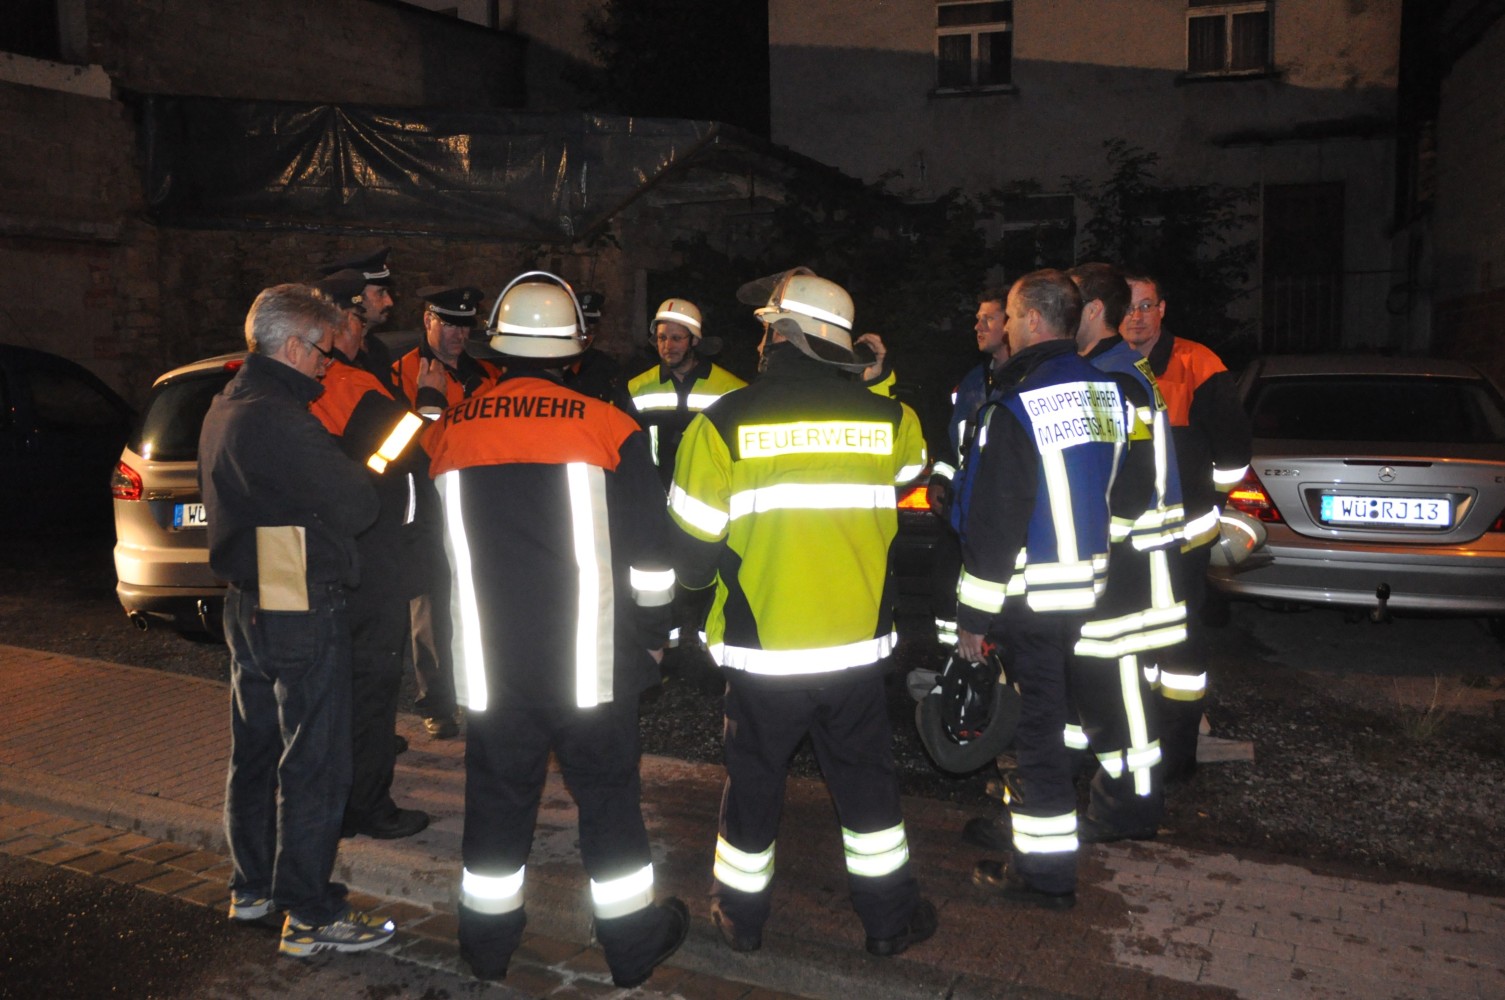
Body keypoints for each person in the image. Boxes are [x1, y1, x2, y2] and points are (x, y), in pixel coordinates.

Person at [424, 272, 688, 989]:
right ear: (573, 350)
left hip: (491, 667)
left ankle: (485, 949)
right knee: (609, 803)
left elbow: (430, 555)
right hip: (591, 666)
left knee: (495, 804)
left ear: (498, 347)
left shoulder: (449, 430)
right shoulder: (610, 427)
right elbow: (651, 555)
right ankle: (631, 949)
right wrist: (655, 636)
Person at [668, 268, 938, 957]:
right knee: (867, 788)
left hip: (763, 653)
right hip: (855, 651)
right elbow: (912, 471)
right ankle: (888, 922)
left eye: (767, 328)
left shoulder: (720, 423)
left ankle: (740, 919)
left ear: (784, 334)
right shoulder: (890, 419)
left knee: (753, 783)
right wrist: (875, 382)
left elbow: (692, 560)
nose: (760, 340)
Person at [199, 282, 395, 957]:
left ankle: (252, 889)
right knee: (315, 760)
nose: (326, 364)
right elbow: (357, 504)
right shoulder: (281, 417)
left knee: (255, 750)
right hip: (295, 596)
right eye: (320, 350)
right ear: (289, 345)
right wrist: (358, 473)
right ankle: (309, 914)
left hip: (249, 594)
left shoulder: (227, 403)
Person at [950, 269, 1127, 909]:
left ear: (1029, 319)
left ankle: (1045, 875)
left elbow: (995, 524)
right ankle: (1042, 834)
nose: (1002, 324)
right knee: (1061, 724)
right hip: (1086, 588)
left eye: (1008, 314)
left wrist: (973, 618)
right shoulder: (1107, 391)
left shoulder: (1017, 402)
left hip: (1031, 599)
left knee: (1036, 736)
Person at [309, 271, 437, 839]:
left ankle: (343, 798)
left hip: (354, 554)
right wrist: (426, 406)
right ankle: (367, 805)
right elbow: (400, 451)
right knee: (371, 685)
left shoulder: (354, 373)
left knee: (344, 689)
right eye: (366, 311)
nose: (386, 305)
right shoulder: (346, 384)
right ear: (342, 319)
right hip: (370, 558)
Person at [1068, 262, 1187, 842]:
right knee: (1104, 688)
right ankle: (1095, 789)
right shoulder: (1115, 370)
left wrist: (1094, 545)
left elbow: (1130, 481)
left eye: (1069, 303)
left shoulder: (1113, 380)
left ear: (1093, 310)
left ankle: (1130, 809)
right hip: (1126, 563)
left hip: (1127, 567)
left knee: (1121, 693)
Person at [1120, 270, 1252, 786]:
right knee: (1135, 637)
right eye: (1128, 307)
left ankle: (1177, 754)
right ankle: (1141, 733)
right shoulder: (1107, 364)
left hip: (1184, 538)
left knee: (1178, 643)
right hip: (1131, 539)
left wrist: (1208, 500)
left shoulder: (1198, 362)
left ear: (1163, 309)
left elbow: (1234, 454)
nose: (1137, 317)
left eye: (1146, 306)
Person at [390, 285, 500, 740]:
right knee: (432, 610)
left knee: (480, 605)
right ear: (427, 320)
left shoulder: (486, 373)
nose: (459, 334)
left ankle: (482, 696)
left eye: (465, 325)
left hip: (480, 503)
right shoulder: (400, 372)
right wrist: (426, 402)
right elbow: (395, 447)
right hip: (427, 504)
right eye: (449, 323)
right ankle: (436, 703)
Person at [628, 297, 746, 651]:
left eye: (677, 338)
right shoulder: (637, 387)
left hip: (710, 505)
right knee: (659, 579)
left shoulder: (731, 388)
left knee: (714, 575)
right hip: (657, 501)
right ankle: (666, 649)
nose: (668, 346)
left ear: (695, 340)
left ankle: (713, 649)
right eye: (662, 338)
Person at [927, 289, 1012, 648]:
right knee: (947, 591)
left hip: (1001, 518)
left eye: (988, 318)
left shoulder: (1026, 381)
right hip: (961, 515)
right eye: (978, 319)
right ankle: (956, 666)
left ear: (1012, 324)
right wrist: (939, 478)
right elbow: (954, 442)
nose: (978, 326)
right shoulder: (973, 382)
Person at [318, 248, 399, 391]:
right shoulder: (327, 356)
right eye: (380, 293)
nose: (389, 302)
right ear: (356, 298)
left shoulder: (377, 349)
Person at [562, 290, 637, 414]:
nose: (586, 337)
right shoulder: (553, 365)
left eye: (590, 331)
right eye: (579, 331)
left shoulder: (608, 369)